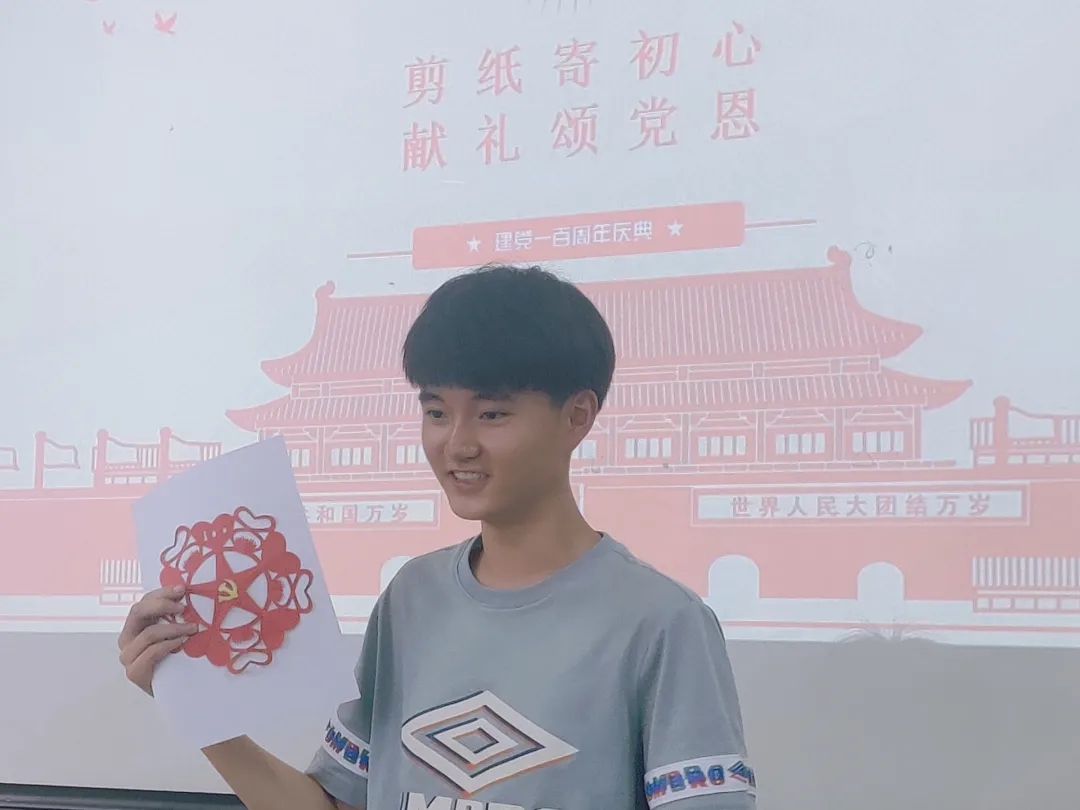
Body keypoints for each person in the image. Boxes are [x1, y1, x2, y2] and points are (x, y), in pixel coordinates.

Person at [117, 264, 756, 810]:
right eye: (436, 411)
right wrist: (196, 702)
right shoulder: (411, 597)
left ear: (578, 416)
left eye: (493, 413)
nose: (458, 443)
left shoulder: (661, 623)